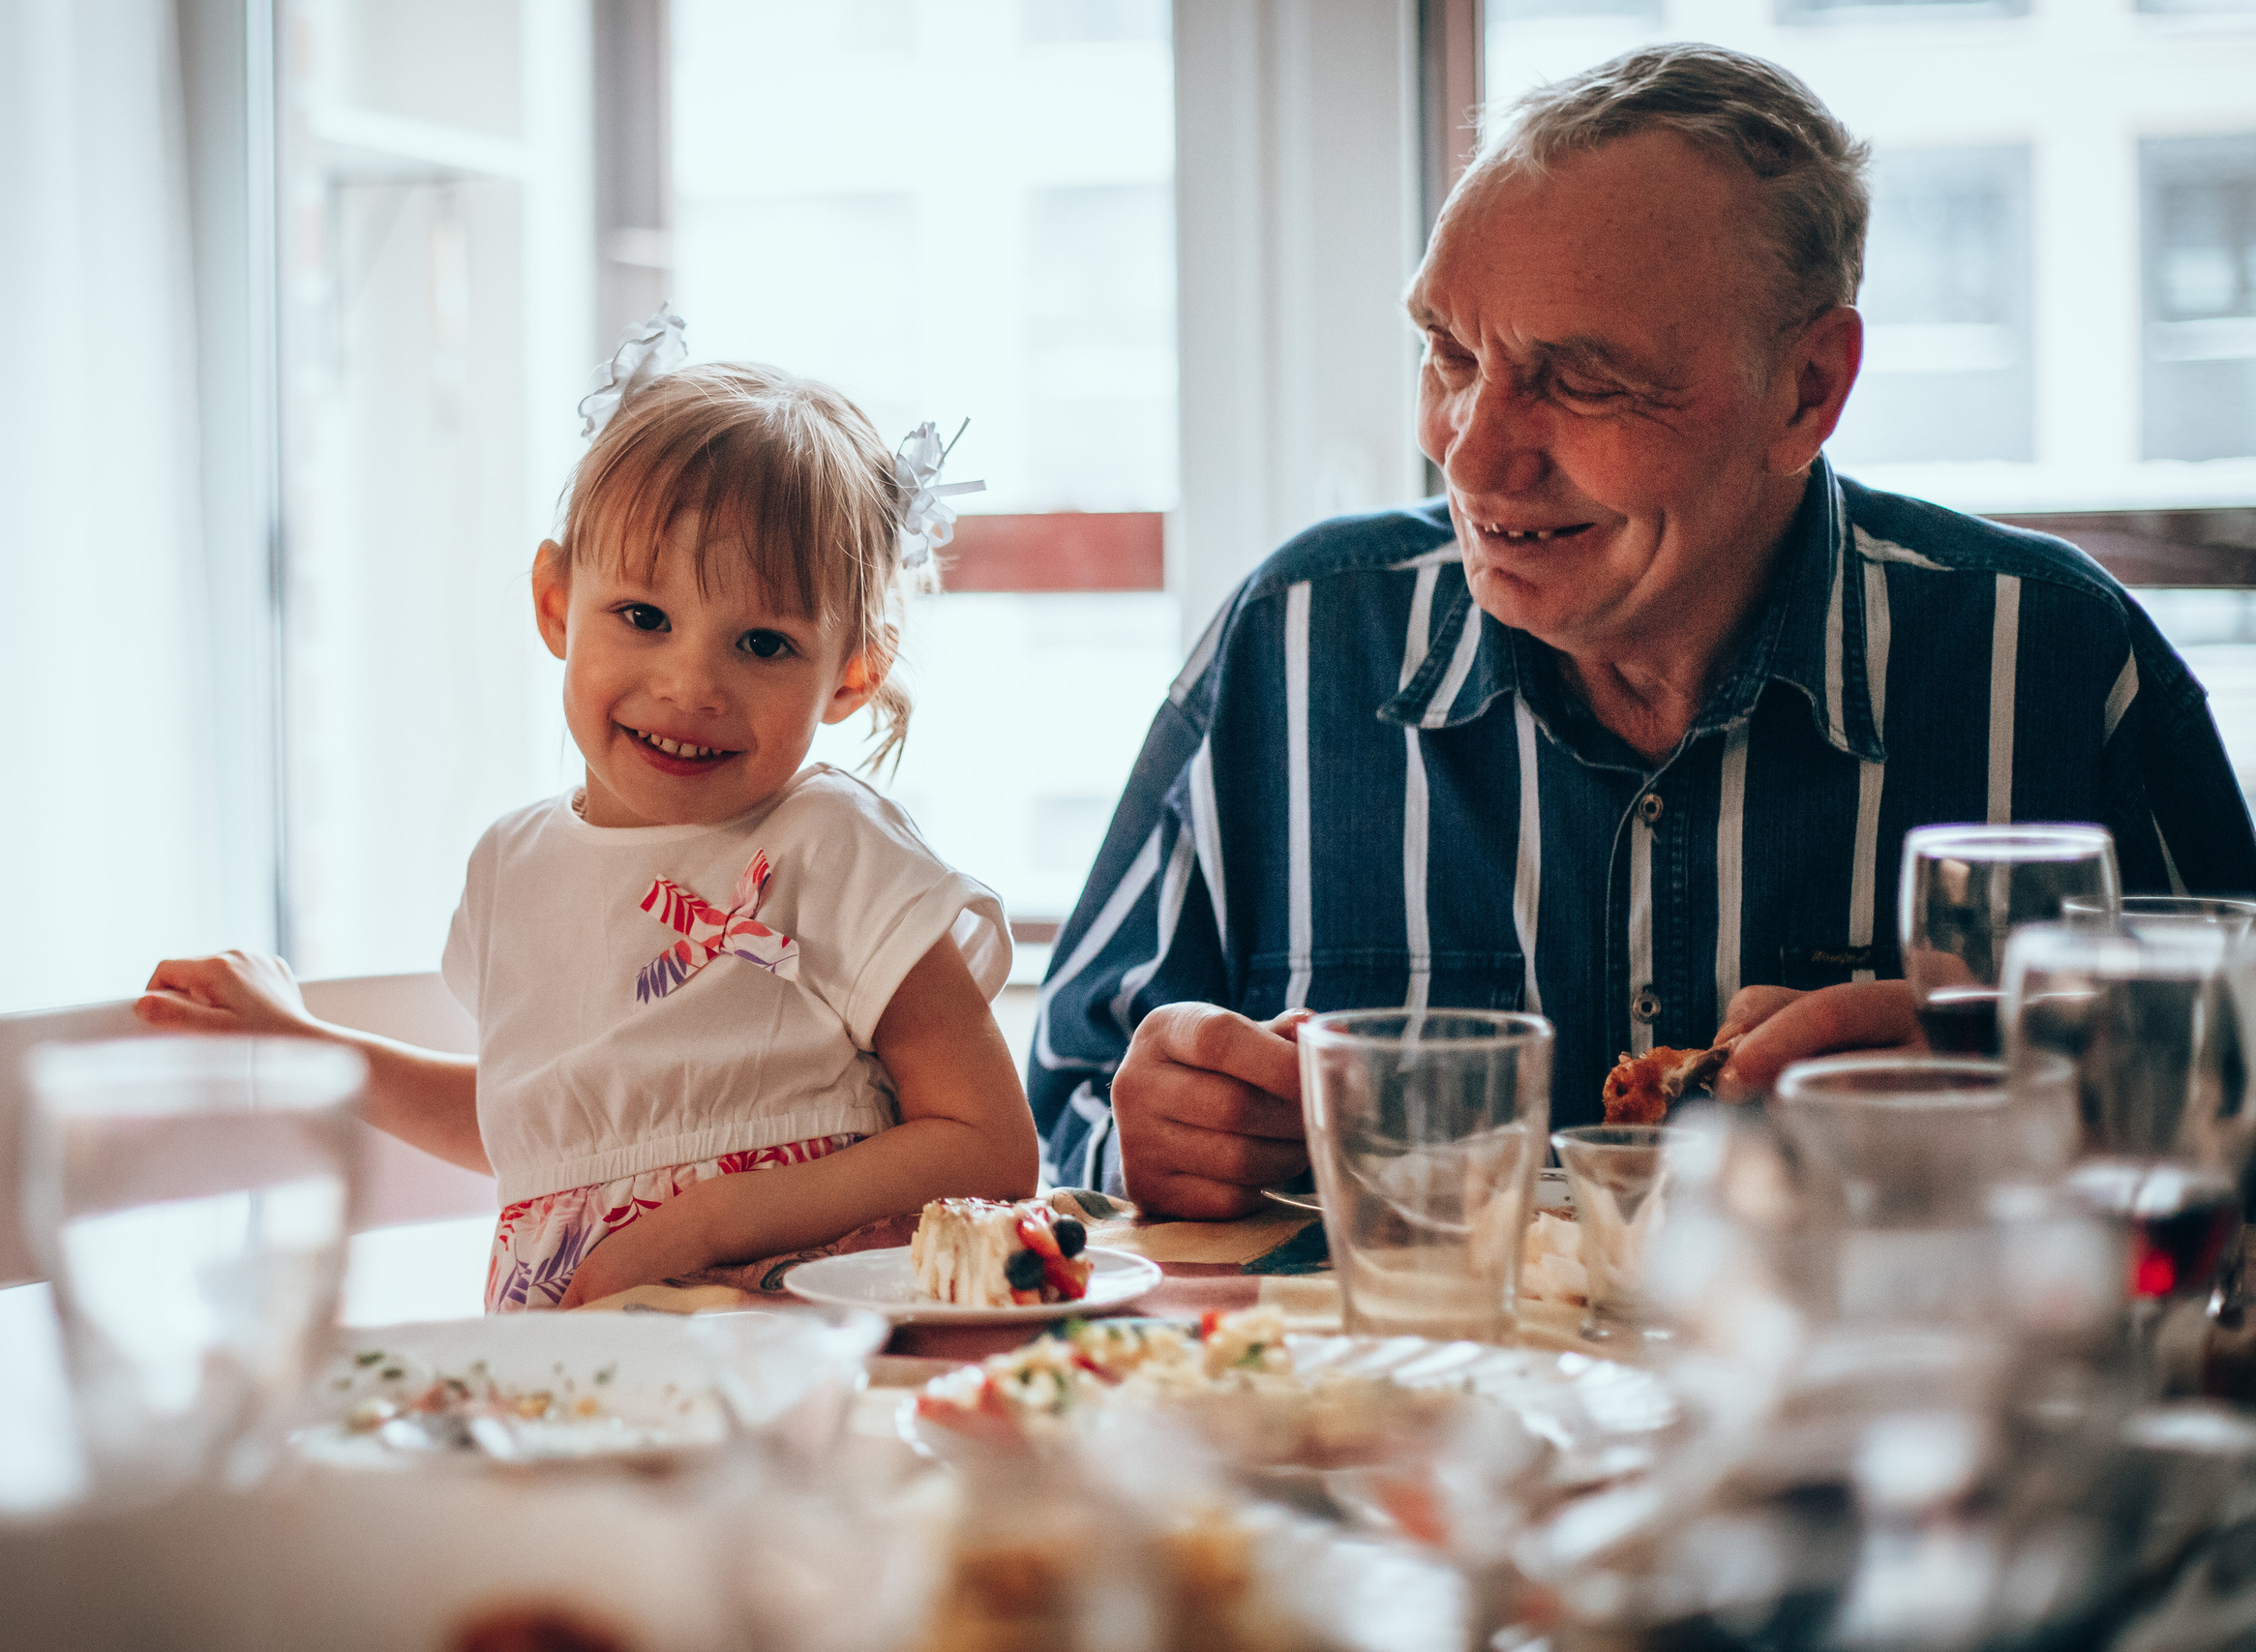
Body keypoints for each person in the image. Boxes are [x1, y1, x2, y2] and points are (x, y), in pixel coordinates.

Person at [1031, 44, 2256, 1218]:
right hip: (1409, 1429)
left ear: (1807, 389)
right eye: (1449, 352)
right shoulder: (1295, 644)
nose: (1470, 450)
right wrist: (1147, 1142)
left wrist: (2049, 1112)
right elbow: (1069, 1121)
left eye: (1582, 380)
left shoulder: (2051, 663)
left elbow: (2230, 1135)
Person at [141, 319, 1038, 1308]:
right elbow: (546, 1130)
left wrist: (699, 1224)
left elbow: (989, 1146)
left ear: (853, 673)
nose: (691, 684)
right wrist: (310, 1043)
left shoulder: (830, 847)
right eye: (644, 618)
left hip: (796, 1354)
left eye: (764, 643)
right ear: (557, 604)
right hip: (575, 1373)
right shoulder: (509, 867)